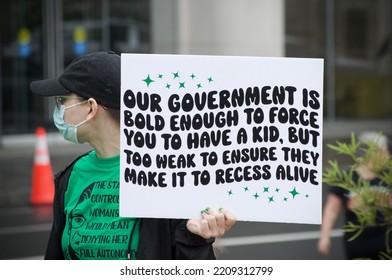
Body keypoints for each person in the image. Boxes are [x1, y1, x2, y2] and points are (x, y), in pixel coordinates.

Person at [30, 51, 236, 260]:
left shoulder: (165, 174)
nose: (58, 109)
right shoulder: (71, 176)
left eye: (62, 100)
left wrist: (197, 239)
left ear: (91, 108)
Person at [318, 132, 392, 259]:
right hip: (357, 243)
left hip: (386, 243)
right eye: (385, 152)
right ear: (371, 153)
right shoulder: (346, 179)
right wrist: (324, 237)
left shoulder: (388, 178)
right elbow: (331, 209)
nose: (388, 156)